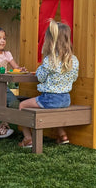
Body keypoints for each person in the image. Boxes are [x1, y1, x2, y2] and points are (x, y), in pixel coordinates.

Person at [18, 20, 79, 148]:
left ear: (51, 41)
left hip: (50, 98)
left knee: (22, 105)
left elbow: (40, 78)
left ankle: (28, 138)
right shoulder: (73, 60)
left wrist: (40, 69)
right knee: (55, 111)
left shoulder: (50, 60)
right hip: (65, 99)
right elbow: (73, 78)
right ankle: (62, 135)